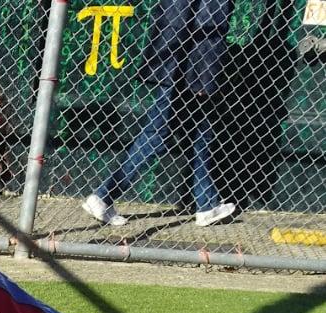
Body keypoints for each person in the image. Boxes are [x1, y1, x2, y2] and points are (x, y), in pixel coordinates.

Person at [82, 0, 236, 228]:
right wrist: (204, 75)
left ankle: (206, 204)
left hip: (177, 64)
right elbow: (209, 24)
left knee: (201, 132)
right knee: (158, 135)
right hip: (189, 68)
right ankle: (104, 195)